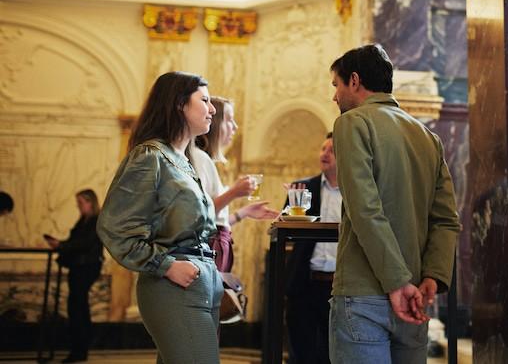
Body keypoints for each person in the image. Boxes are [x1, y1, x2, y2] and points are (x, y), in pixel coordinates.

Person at [327, 44, 460, 364]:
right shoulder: (428, 138)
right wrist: (432, 277)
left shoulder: (352, 122)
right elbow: (446, 220)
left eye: (336, 85)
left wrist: (396, 282)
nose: (334, 96)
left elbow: (365, 209)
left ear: (354, 81)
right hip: (415, 298)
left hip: (365, 294)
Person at [97, 71, 223, 364]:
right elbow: (115, 228)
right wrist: (166, 266)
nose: (212, 109)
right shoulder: (149, 156)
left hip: (203, 280)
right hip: (175, 284)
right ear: (180, 104)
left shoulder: (184, 160)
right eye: (204, 100)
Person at [193, 96, 279, 274]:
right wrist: (233, 192)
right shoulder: (199, 159)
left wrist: (244, 213)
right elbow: (200, 216)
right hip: (208, 247)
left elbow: (215, 220)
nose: (235, 127)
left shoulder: (206, 160)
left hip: (217, 244)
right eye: (229, 120)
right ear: (215, 124)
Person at [284, 132, 340, 364]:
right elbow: (286, 230)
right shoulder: (303, 187)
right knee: (301, 353)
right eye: (323, 149)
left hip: (340, 286)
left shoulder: (356, 193)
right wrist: (290, 203)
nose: (325, 154)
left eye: (332, 150)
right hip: (305, 283)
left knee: (332, 353)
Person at [45, 189, 104, 363]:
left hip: (86, 267)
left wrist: (61, 245)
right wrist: (61, 244)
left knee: (77, 307)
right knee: (78, 306)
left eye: (80, 203)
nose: (78, 206)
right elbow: (76, 242)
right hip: (80, 266)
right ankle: (80, 348)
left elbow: (85, 244)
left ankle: (79, 349)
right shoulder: (84, 221)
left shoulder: (95, 221)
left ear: (90, 203)